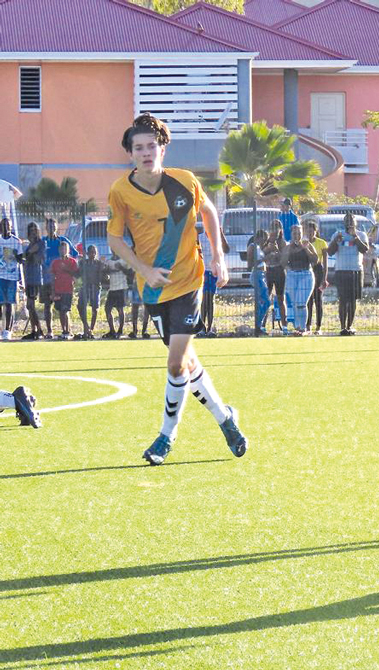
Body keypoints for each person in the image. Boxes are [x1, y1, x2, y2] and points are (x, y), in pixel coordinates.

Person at [107, 113, 246, 465]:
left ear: (162, 148)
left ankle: (166, 436)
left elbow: (210, 212)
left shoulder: (184, 181)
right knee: (185, 364)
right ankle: (225, 418)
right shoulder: (121, 191)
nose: (146, 152)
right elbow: (114, 239)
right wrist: (144, 270)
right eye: (138, 147)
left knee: (173, 366)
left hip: (188, 280)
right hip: (152, 290)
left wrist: (218, 257)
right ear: (130, 153)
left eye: (151, 146)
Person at [327, 214, 369, 335]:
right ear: (343, 223)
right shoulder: (337, 235)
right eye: (347, 221)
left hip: (356, 270)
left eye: (351, 221)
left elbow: (365, 250)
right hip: (341, 271)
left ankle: (350, 326)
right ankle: (342, 327)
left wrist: (355, 238)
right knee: (343, 300)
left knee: (352, 300)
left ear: (356, 223)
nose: (349, 223)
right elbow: (330, 252)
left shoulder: (361, 235)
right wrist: (336, 241)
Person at [41, 218, 74, 339]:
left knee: (64, 308)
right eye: (49, 226)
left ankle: (67, 331)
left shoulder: (63, 241)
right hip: (46, 279)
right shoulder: (43, 241)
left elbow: (74, 256)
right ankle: (49, 331)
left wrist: (71, 274)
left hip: (62, 282)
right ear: (46, 228)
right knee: (47, 305)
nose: (51, 228)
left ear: (56, 227)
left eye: (53, 226)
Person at [283, 223, 317, 335]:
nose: (297, 235)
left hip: (306, 275)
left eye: (299, 233)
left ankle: (303, 328)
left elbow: (315, 260)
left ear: (302, 234)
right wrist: (288, 251)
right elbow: (283, 263)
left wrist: (306, 248)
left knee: (301, 302)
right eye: (294, 233)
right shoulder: (288, 247)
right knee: (294, 303)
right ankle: (297, 327)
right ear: (291, 234)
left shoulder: (307, 245)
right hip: (292, 275)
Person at [19, 222, 45, 339]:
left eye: (35, 230)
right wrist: (25, 255)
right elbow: (26, 259)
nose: (33, 232)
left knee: (30, 305)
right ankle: (34, 330)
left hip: (36, 277)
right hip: (28, 277)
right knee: (30, 306)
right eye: (31, 230)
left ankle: (39, 330)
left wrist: (28, 254)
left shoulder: (40, 243)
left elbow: (36, 259)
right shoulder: (30, 245)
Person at [303, 219, 329, 334]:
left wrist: (324, 278)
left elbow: (325, 262)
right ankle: (307, 325)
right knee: (308, 300)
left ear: (315, 231)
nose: (310, 234)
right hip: (307, 270)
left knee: (318, 299)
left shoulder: (322, 243)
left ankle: (318, 327)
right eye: (308, 232)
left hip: (318, 270)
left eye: (312, 231)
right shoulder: (303, 243)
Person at [0, 218, 23, 340]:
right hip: (0, 276)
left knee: (9, 303)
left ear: (11, 227)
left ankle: (7, 330)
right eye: (3, 225)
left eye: (7, 225)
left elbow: (20, 259)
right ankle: (1, 328)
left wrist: (14, 255)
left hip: (11, 277)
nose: (5, 227)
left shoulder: (16, 242)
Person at [49, 240, 77, 339]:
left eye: (65, 248)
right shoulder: (55, 262)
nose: (63, 250)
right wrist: (52, 291)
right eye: (61, 248)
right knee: (61, 311)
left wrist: (67, 269)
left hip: (68, 289)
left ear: (68, 250)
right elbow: (52, 276)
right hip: (58, 289)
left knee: (65, 310)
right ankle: (64, 330)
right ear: (59, 250)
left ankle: (67, 331)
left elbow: (75, 275)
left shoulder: (72, 261)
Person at [76, 244, 103, 339]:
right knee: (80, 306)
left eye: (94, 252)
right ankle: (86, 327)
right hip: (86, 286)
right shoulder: (83, 262)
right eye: (91, 252)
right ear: (87, 253)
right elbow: (78, 274)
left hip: (95, 286)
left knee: (95, 308)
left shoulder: (99, 263)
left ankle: (91, 329)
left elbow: (102, 276)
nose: (93, 254)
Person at [264, 219, 287, 331]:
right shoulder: (266, 241)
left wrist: (277, 251)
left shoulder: (282, 242)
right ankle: (262, 325)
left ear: (280, 230)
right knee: (265, 299)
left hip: (279, 271)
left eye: (277, 228)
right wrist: (268, 249)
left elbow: (284, 260)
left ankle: (285, 326)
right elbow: (261, 256)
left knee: (280, 299)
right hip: (268, 271)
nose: (274, 231)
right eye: (273, 228)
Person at [248, 229, 272, 335]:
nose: (265, 242)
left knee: (265, 302)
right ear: (259, 237)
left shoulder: (260, 248)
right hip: (256, 274)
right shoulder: (252, 246)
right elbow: (250, 264)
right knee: (264, 301)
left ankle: (259, 324)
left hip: (262, 275)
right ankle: (257, 325)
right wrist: (264, 259)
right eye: (264, 239)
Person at [104, 250, 130, 338]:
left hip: (121, 287)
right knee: (107, 309)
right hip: (112, 288)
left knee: (120, 309)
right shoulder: (109, 261)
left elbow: (129, 273)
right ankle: (112, 330)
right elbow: (106, 273)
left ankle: (120, 330)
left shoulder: (124, 260)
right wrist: (106, 270)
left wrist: (121, 267)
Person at [127, 269, 152, 339]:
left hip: (146, 285)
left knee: (147, 309)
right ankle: (134, 330)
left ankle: (144, 331)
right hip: (137, 284)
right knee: (135, 309)